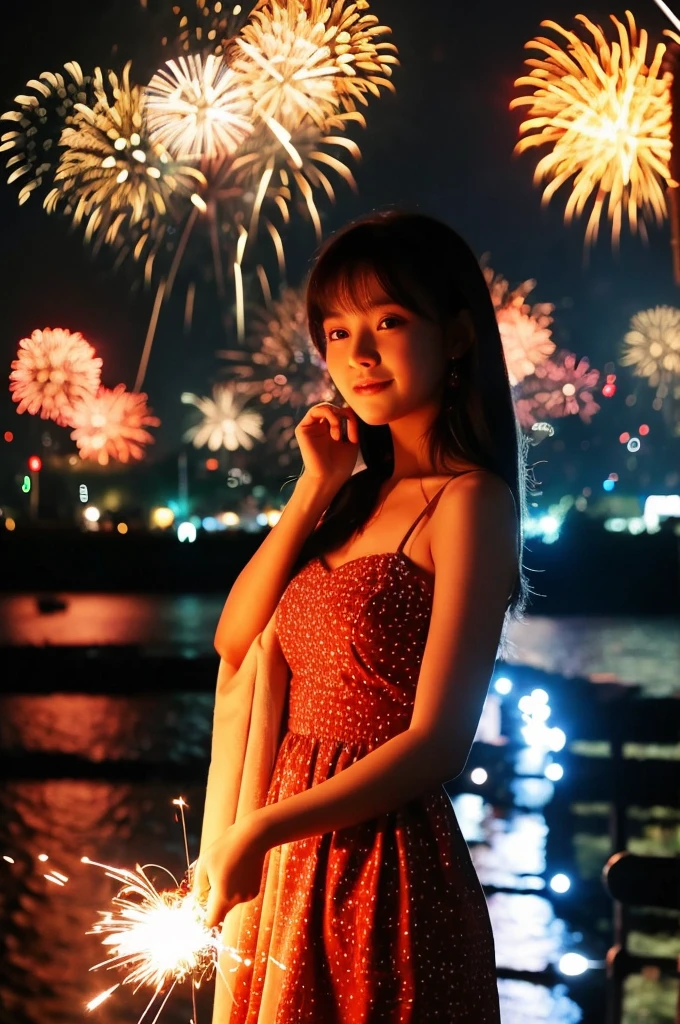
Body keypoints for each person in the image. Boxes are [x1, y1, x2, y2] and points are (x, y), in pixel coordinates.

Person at [195, 210, 529, 1022]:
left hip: (380, 867)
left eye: (388, 321)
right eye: (337, 333)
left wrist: (260, 832)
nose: (359, 355)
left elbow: (437, 744)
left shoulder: (469, 503)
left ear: (455, 338)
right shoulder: (348, 500)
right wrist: (313, 489)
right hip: (284, 861)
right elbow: (235, 641)